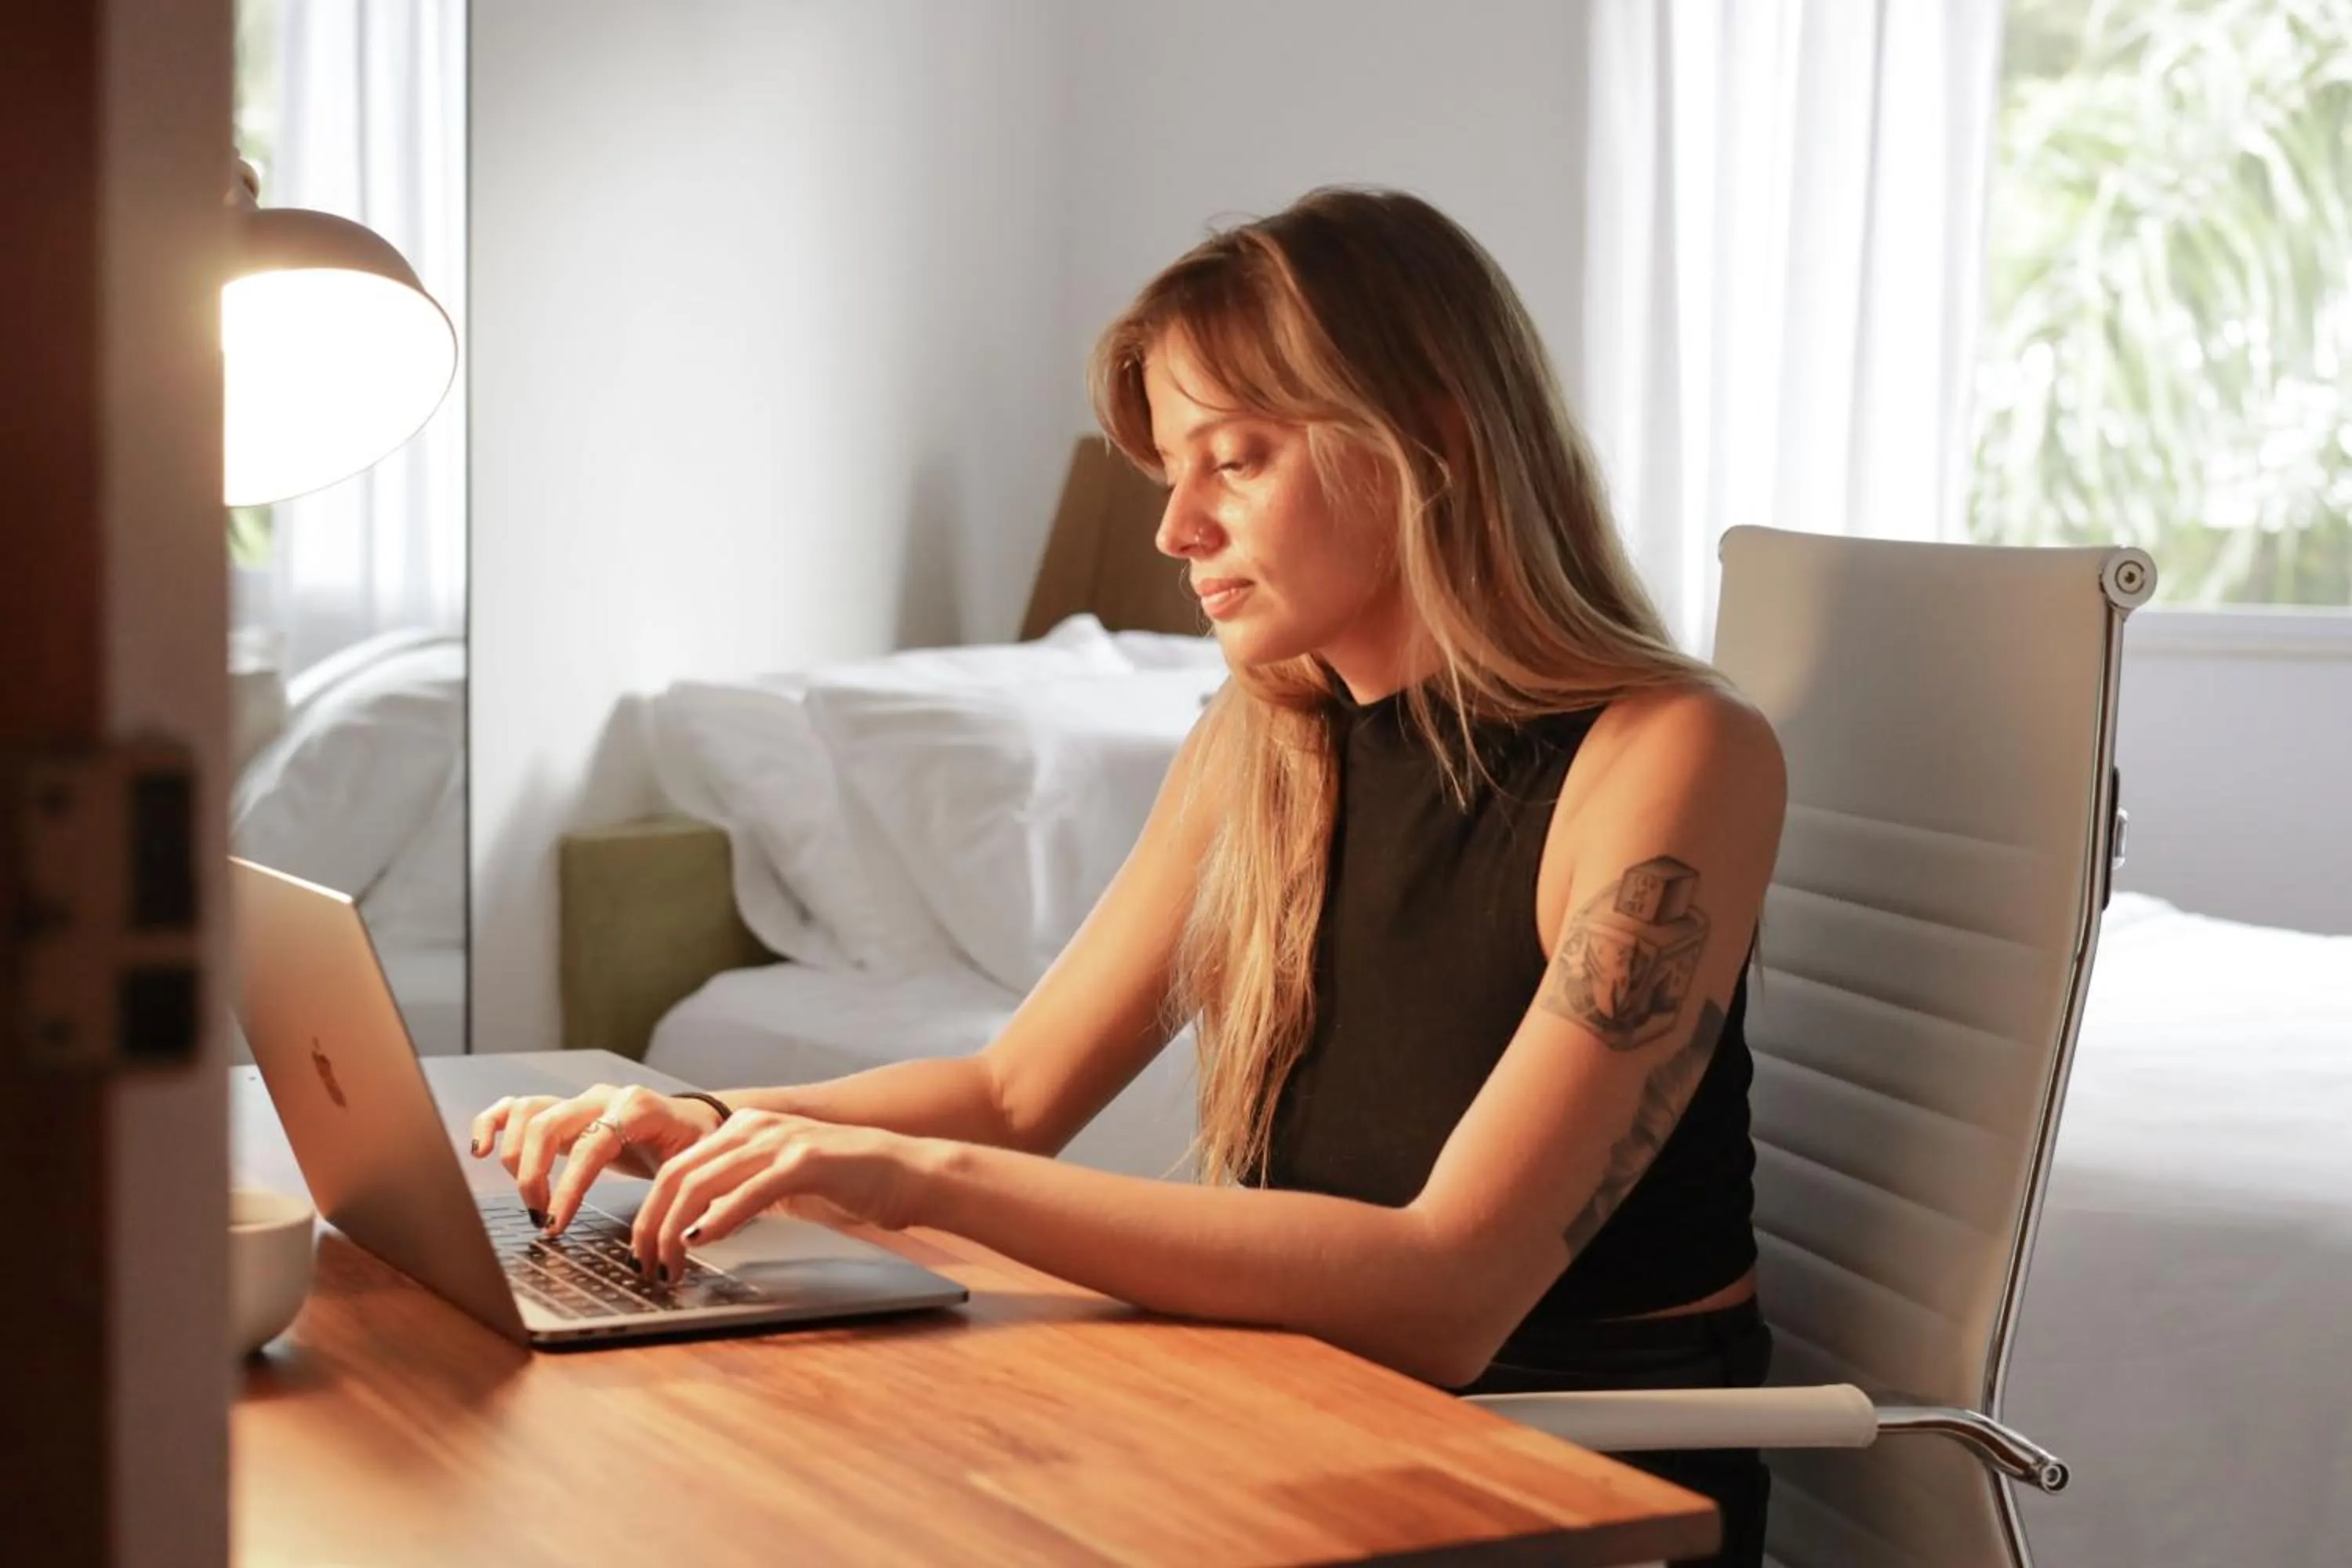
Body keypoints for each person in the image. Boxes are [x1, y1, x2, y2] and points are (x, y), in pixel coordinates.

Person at [471, 186, 1786, 1567]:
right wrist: (709, 1123)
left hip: (1568, 1481)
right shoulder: (1265, 744)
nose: (1177, 530)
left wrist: (908, 1177)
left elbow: (1445, 1292)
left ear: (1436, 442)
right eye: (1175, 470)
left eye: (1238, 457)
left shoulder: (1673, 754)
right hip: (1305, 1418)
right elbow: (1010, 1094)